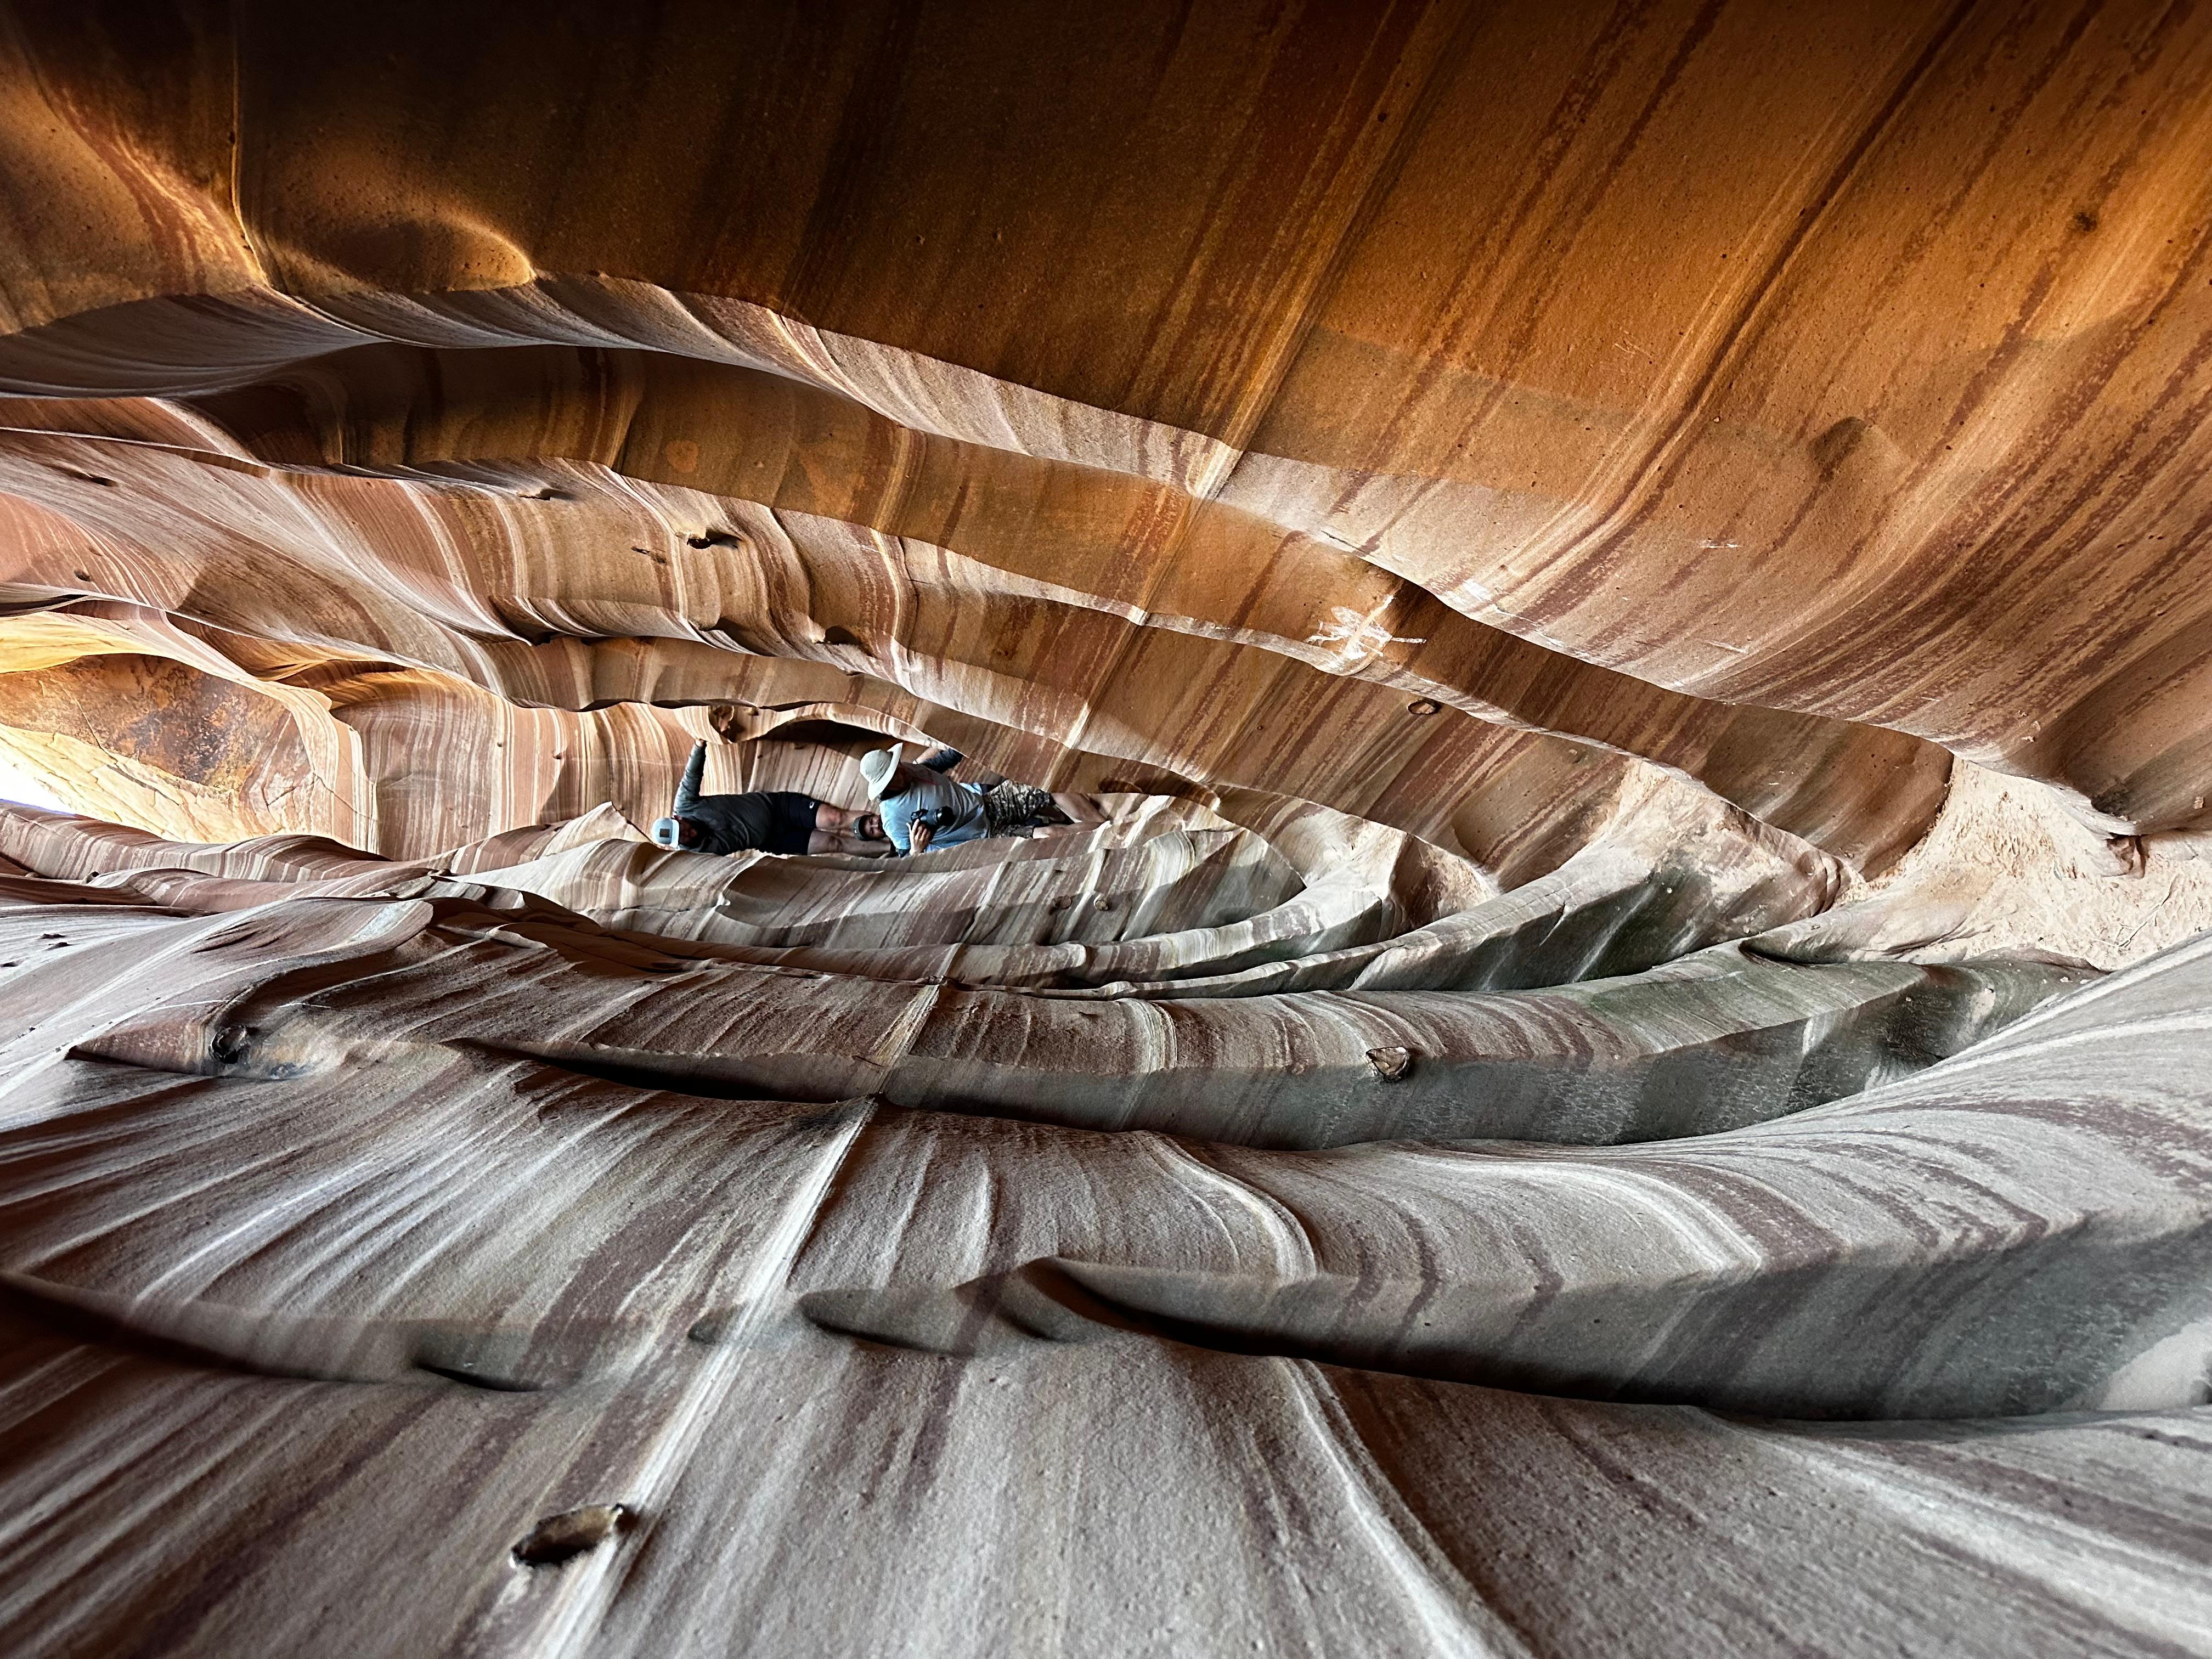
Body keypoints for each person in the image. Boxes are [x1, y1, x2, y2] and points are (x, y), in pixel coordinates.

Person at [651, 740, 891, 856]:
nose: (687, 834)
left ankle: (892, 824)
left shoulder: (685, 804)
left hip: (777, 807)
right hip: (775, 840)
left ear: (677, 818)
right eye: (681, 838)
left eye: (682, 829)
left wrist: (699, 744)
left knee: (835, 818)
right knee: (833, 844)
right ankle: (893, 848)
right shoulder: (694, 854)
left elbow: (692, 775)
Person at [859, 744, 1105, 856]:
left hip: (988, 803)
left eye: (897, 765)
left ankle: (1107, 826)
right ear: (886, 784)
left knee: (1050, 782)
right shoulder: (892, 819)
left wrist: (968, 740)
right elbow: (906, 859)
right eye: (895, 773)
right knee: (1050, 835)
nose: (901, 770)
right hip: (984, 838)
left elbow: (946, 759)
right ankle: (1107, 839)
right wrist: (916, 850)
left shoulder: (910, 770)